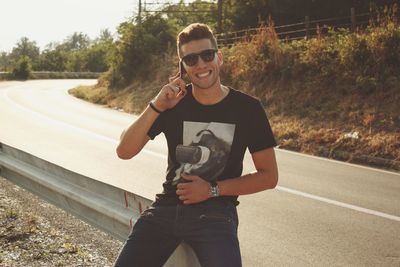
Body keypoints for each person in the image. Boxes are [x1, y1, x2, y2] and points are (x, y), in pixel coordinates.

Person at [114, 23, 278, 267]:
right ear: (183, 68)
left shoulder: (248, 109)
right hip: (165, 210)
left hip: (216, 215)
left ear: (219, 58)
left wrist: (212, 189)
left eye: (207, 55)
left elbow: (269, 176)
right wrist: (157, 105)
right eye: (190, 59)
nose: (200, 64)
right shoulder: (172, 103)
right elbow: (124, 151)